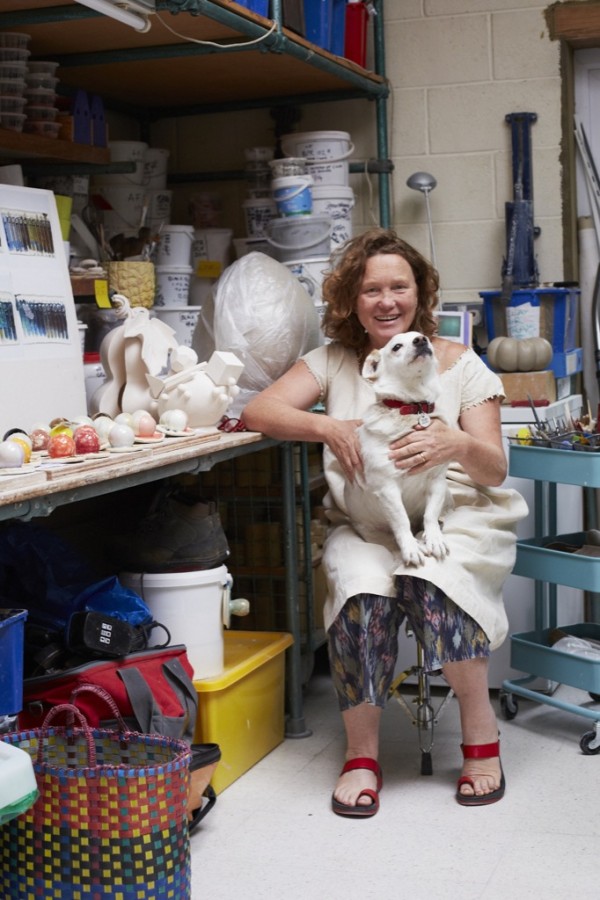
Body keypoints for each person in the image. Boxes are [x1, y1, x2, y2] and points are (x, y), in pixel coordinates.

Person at [243, 228, 528, 817]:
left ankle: (482, 739)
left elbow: (495, 469)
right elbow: (257, 410)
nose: (387, 300)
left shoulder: (461, 363)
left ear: (420, 293)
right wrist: (328, 426)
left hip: (456, 513)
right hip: (365, 521)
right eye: (371, 289)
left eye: (400, 287)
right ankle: (362, 755)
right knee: (360, 594)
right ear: (352, 299)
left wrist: (455, 443)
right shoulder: (334, 361)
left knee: (440, 582)